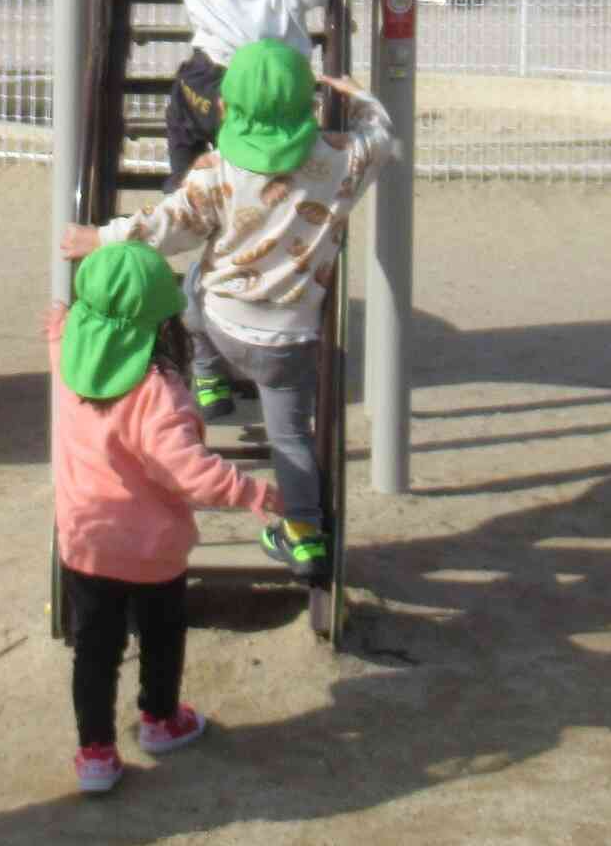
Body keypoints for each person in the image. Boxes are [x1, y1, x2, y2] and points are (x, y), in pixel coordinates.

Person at [64, 42, 393, 584]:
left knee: (192, 288)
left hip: (223, 320)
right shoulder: (340, 162)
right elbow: (381, 139)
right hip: (290, 339)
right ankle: (304, 533)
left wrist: (99, 238)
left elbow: (163, 225)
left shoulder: (217, 171)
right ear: (307, 108)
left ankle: (210, 378)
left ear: (226, 108)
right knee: (291, 438)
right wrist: (359, 100)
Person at [94, 0, 349, 418]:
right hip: (273, 100)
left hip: (210, 86)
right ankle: (220, 202)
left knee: (183, 117)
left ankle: (185, 189)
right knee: (260, 193)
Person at [47, 241, 283, 794]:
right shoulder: (158, 390)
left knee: (94, 649)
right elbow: (189, 471)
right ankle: (159, 718)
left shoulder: (67, 354)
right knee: (161, 634)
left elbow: (61, 327)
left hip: (86, 536)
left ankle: (96, 754)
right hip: (153, 549)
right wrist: (251, 492)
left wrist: (62, 320)